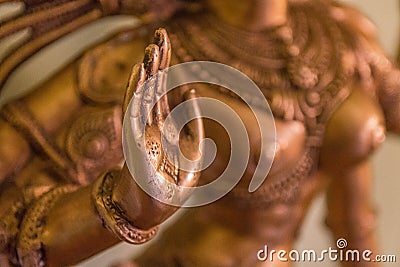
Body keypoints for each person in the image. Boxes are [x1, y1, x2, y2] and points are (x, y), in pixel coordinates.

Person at [0, 0, 399, 266]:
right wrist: (131, 206)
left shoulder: (343, 33)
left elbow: (353, 210)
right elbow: (11, 233)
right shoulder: (154, 60)